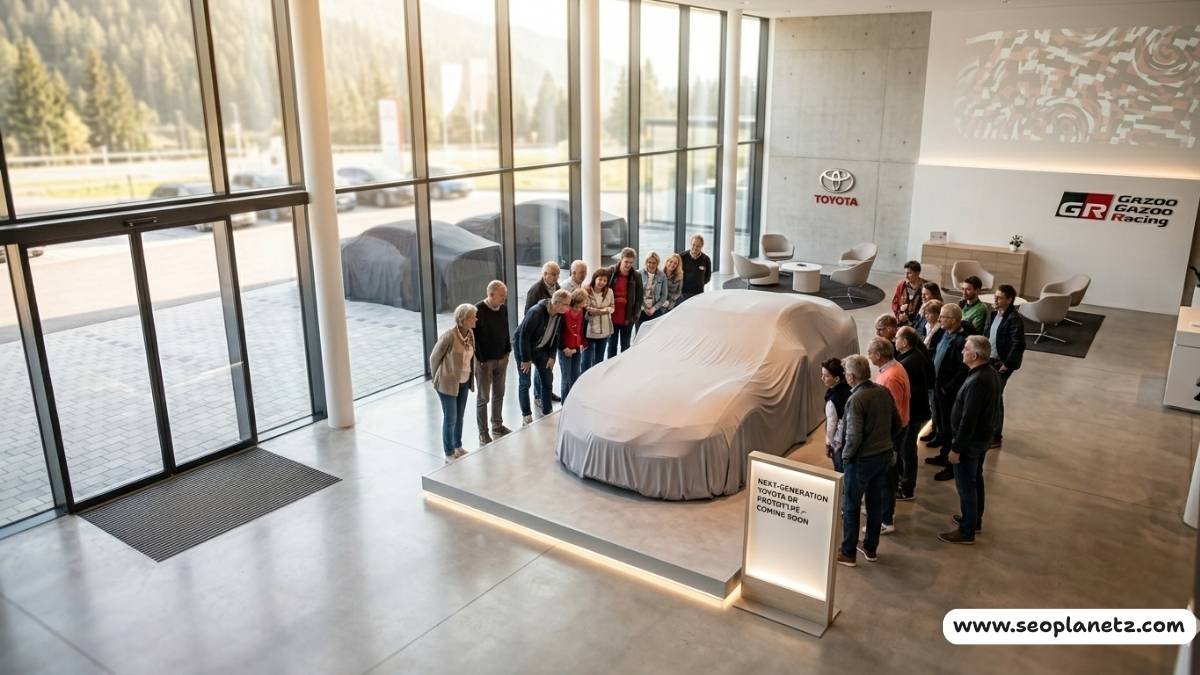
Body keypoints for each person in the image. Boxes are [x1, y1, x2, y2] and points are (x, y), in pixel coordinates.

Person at [836, 355, 902, 568]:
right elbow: (897, 423)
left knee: (851, 506)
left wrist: (846, 458)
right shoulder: (883, 391)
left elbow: (853, 437)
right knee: (875, 504)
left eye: (846, 374)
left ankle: (848, 553)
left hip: (861, 462)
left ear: (852, 377)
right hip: (883, 457)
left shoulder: (856, 400)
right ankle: (870, 548)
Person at [940, 335, 1002, 545]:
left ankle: (967, 531)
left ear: (975, 355)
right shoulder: (989, 373)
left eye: (965, 349)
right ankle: (974, 520)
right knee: (976, 480)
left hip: (969, 444)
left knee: (966, 487)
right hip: (981, 440)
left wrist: (956, 448)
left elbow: (969, 419)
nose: (962, 352)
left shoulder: (977, 381)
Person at [868, 338, 910, 535]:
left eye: (870, 353)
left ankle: (886, 519)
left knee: (886, 479)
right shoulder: (892, 369)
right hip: (893, 432)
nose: (869, 357)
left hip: (890, 435)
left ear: (878, 355)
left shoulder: (890, 377)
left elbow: (891, 411)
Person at [925, 303, 971, 481]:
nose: (939, 319)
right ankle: (943, 454)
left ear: (953, 320)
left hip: (948, 392)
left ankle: (950, 466)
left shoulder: (961, 341)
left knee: (950, 427)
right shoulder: (944, 333)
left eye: (943, 317)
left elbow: (962, 370)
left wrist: (947, 388)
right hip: (938, 387)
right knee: (942, 424)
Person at [514, 290, 570, 425]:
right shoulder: (536, 312)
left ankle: (547, 411)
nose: (567, 308)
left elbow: (556, 335)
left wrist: (552, 356)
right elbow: (524, 336)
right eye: (566, 305)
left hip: (542, 349)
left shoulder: (560, 315)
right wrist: (525, 359)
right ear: (556, 303)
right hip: (523, 348)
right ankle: (526, 415)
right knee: (525, 382)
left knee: (547, 379)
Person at [430, 303, 477, 461]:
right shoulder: (449, 336)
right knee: (450, 417)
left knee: (460, 416)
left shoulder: (470, 334)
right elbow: (434, 357)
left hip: (463, 382)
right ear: (462, 320)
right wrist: (437, 377)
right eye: (472, 318)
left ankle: (457, 445)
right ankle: (449, 451)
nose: (475, 319)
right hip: (447, 384)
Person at [984, 284, 1026, 448]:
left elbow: (1018, 344)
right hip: (989, 360)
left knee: (996, 398)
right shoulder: (994, 313)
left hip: (1001, 365)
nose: (995, 299)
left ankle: (996, 436)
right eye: (996, 296)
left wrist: (1007, 364)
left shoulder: (1014, 319)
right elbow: (987, 335)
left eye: (1000, 297)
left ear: (1009, 300)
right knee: (990, 397)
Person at [895, 326, 932, 501]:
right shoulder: (915, 355)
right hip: (915, 411)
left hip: (912, 413)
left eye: (897, 338)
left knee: (907, 451)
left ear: (904, 342)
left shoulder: (909, 362)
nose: (895, 341)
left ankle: (907, 488)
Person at [473, 280, 512, 445]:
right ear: (491, 295)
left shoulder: (502, 309)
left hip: (501, 359)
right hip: (484, 362)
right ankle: (483, 433)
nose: (504, 299)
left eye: (505, 295)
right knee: (483, 398)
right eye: (502, 296)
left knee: (499, 393)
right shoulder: (477, 311)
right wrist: (481, 359)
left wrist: (507, 351)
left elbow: (505, 329)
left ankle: (497, 425)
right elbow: (473, 339)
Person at [606, 247, 644, 357]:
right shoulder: (611, 271)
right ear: (621, 259)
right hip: (612, 317)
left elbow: (639, 297)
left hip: (627, 317)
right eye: (626, 261)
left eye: (631, 262)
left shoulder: (636, 276)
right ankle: (609, 369)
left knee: (625, 346)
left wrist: (635, 316)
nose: (628, 265)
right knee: (612, 345)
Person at [918, 299, 944, 443]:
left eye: (928, 313)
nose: (926, 316)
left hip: (934, 369)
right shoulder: (926, 326)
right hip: (926, 367)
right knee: (931, 401)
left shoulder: (941, 331)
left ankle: (937, 431)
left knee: (935, 403)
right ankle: (933, 427)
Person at [821, 358, 852, 472]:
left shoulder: (832, 400)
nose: (822, 378)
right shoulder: (851, 388)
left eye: (826, 376)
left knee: (840, 471)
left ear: (837, 378)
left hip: (839, 442)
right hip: (852, 437)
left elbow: (831, 425)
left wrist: (828, 444)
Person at [558, 289, 588, 401]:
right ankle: (565, 403)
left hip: (576, 348)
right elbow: (558, 333)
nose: (579, 309)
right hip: (565, 349)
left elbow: (581, 329)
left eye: (581, 306)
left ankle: (573, 401)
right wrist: (564, 348)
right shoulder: (564, 314)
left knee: (575, 376)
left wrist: (582, 343)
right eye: (576, 306)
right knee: (566, 379)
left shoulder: (582, 311)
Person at [583, 268, 614, 372]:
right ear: (594, 278)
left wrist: (598, 311)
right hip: (589, 331)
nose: (602, 282)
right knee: (586, 360)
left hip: (604, 330)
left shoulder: (610, 291)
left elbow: (612, 308)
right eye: (600, 279)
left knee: (599, 360)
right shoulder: (586, 290)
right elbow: (587, 309)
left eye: (605, 280)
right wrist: (604, 310)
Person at [638, 251, 669, 330]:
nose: (651, 265)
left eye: (654, 263)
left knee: (653, 336)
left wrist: (654, 308)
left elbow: (664, 295)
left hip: (655, 310)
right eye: (649, 262)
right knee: (639, 336)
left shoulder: (662, 275)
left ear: (657, 263)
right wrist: (643, 308)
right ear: (646, 262)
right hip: (640, 310)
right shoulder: (638, 274)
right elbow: (635, 294)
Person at [679, 234, 712, 301]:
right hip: (683, 293)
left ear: (702, 246)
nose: (695, 248)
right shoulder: (682, 257)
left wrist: (699, 283)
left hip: (699, 294)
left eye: (698, 246)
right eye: (693, 245)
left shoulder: (706, 259)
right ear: (690, 244)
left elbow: (707, 278)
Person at [891, 261, 924, 326]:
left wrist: (912, 318)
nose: (906, 276)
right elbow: (895, 302)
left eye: (909, 273)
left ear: (918, 273)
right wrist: (899, 315)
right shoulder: (902, 285)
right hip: (902, 321)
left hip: (919, 323)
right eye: (905, 273)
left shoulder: (925, 287)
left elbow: (931, 307)